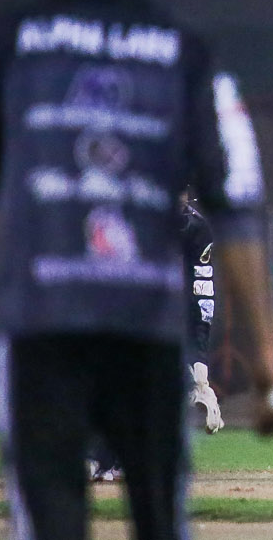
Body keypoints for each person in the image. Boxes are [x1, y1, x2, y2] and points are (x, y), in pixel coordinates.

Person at [0, 0, 273, 537]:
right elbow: (234, 200)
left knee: (47, 517)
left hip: (42, 322)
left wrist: (3, 289)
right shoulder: (184, 50)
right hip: (146, 325)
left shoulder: (8, 44)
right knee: (160, 515)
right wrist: (266, 358)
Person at [90, 196, 224, 482]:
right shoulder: (124, 212)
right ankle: (97, 455)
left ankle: (120, 458)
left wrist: (200, 371)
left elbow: (202, 301)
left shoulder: (196, 229)